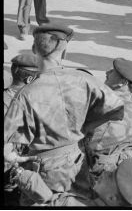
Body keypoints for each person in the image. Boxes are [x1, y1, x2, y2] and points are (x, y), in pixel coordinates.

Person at [4, 25, 124, 198]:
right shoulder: (86, 80)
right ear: (65, 51)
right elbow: (118, 110)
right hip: (77, 162)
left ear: (33, 49)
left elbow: (6, 143)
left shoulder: (26, 94)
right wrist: (86, 127)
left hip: (43, 170)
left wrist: (14, 158)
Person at [83, 58, 132, 179]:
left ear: (122, 82)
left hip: (87, 167)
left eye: (112, 72)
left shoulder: (100, 103)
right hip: (115, 171)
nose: (107, 72)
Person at [8, 158, 132, 207]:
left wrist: (21, 174)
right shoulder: (97, 197)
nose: (106, 171)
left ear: (112, 198)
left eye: (110, 176)